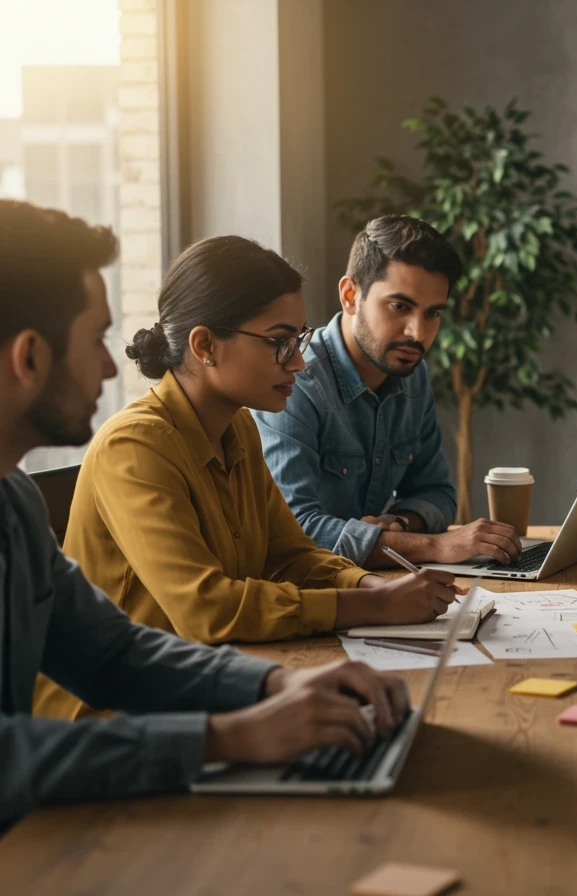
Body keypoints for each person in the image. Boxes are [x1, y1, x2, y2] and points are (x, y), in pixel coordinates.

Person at [1, 200, 415, 832]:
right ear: (29, 358)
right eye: (94, 341)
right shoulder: (130, 445)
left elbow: (113, 656)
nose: (115, 366)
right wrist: (228, 737)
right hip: (69, 806)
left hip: (102, 772)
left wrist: (271, 689)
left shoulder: (16, 501)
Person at [33, 234, 459, 722]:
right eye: (280, 343)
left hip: (198, 692)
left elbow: (289, 554)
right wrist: (375, 608)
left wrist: (370, 586)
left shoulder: (236, 426)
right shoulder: (133, 447)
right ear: (205, 345)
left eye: (299, 340)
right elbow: (207, 610)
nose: (298, 361)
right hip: (105, 725)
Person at [253, 215, 520, 569]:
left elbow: (437, 493)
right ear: (350, 296)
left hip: (366, 584)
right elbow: (294, 531)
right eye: (400, 306)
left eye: (433, 313)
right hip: (304, 594)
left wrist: (400, 525)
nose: (417, 333)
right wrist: (435, 546)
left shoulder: (412, 374)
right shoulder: (296, 383)